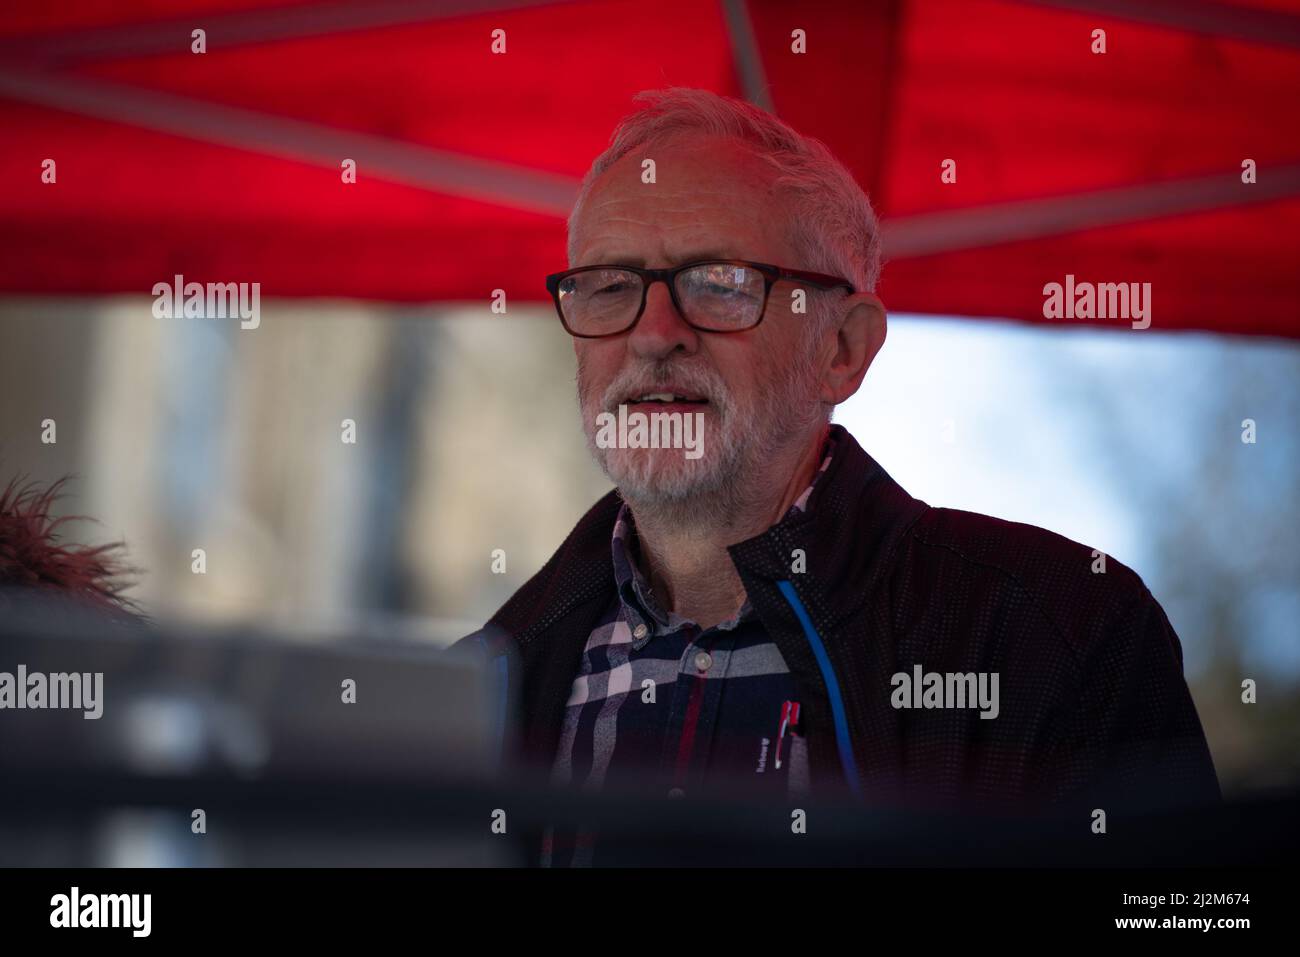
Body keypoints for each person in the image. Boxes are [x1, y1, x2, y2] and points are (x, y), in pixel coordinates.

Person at [457, 87, 1218, 865]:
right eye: (611, 285)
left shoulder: (1059, 633)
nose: (654, 334)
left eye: (720, 283)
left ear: (843, 349)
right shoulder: (479, 681)